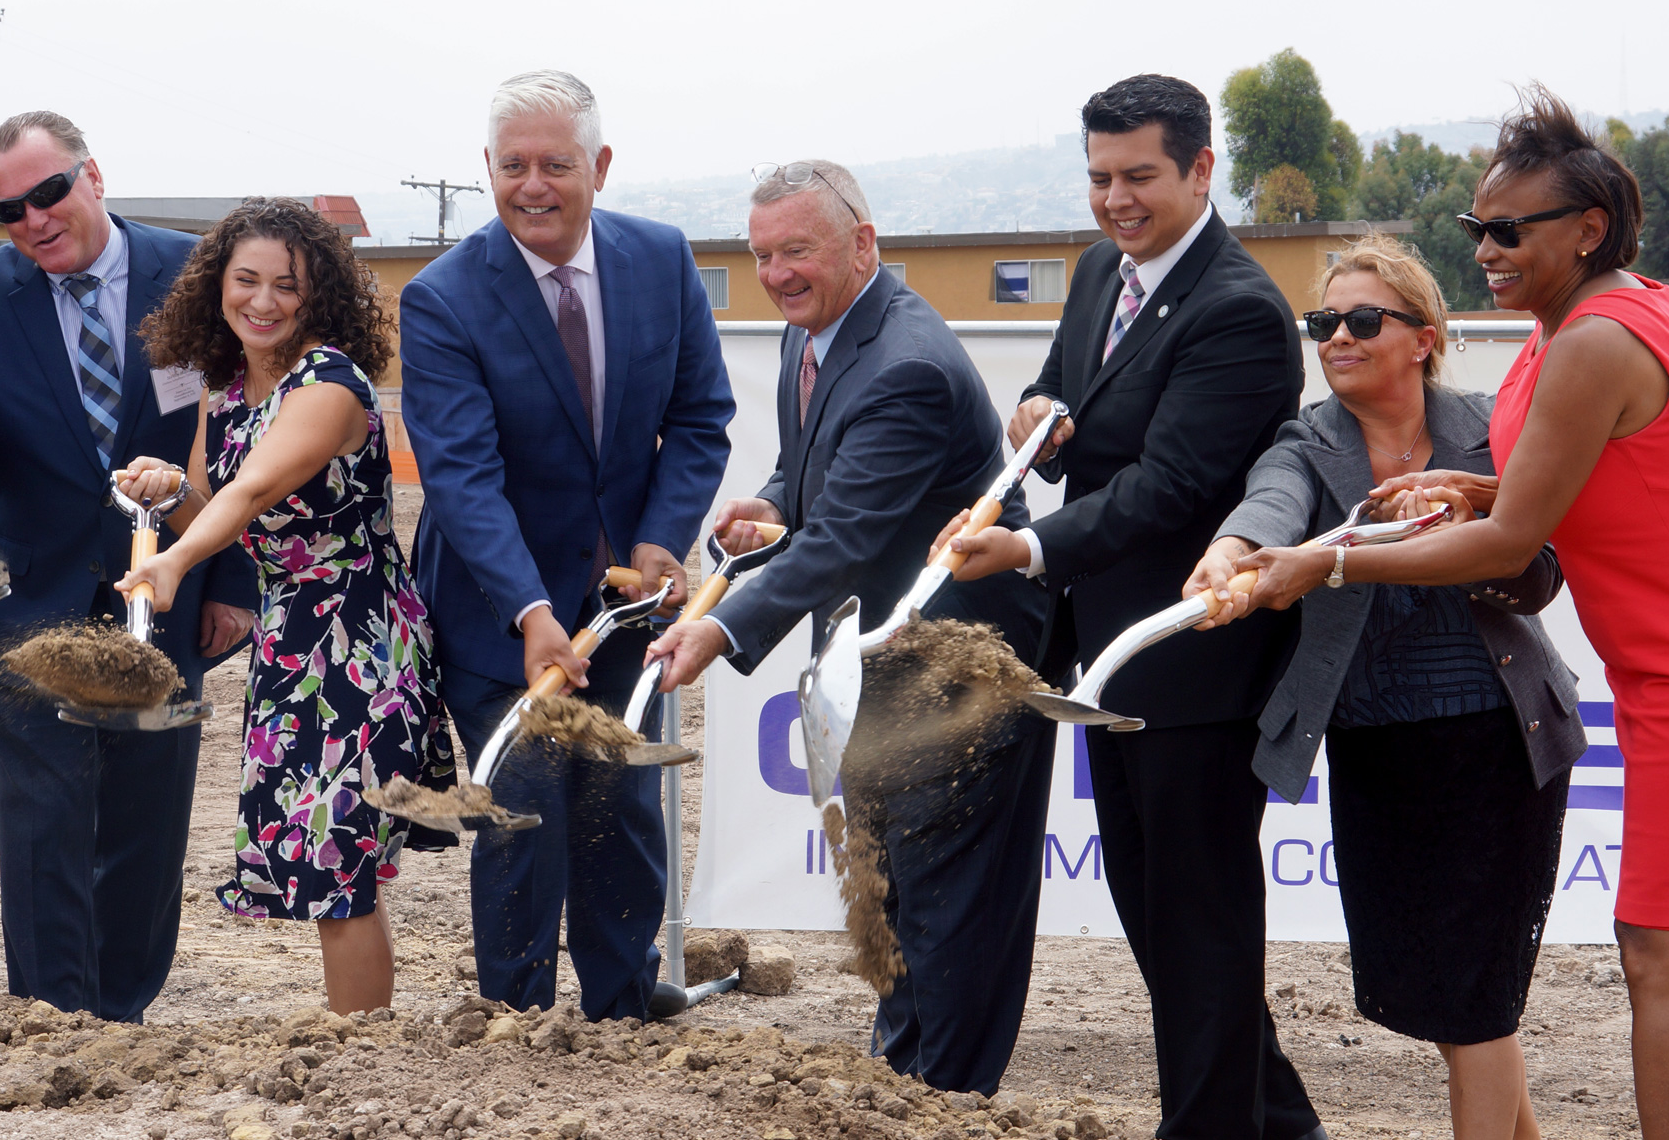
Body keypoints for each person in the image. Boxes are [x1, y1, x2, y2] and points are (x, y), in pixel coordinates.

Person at [1236, 89, 1669, 1140]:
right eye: (1477, 226)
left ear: (1587, 230)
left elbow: (1511, 550)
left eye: (1507, 229)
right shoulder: (1562, 325)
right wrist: (1476, 490)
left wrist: (1326, 566)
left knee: (1661, 950)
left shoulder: (1591, 339)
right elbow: (1560, 482)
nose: (1484, 246)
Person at [935, 74, 1322, 1139]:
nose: (1114, 198)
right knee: (1159, 917)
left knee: (1196, 921)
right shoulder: (1103, 269)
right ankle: (1280, 1124)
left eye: (1138, 176)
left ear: (1201, 169)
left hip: (1196, 657)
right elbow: (1069, 389)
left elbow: (1173, 487)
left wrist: (1024, 544)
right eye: (1099, 176)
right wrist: (1040, 415)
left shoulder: (1239, 311)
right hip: (1105, 654)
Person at [645, 160, 1053, 1094]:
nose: (777, 273)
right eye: (761, 256)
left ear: (862, 243)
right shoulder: (817, 332)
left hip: (961, 661)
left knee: (946, 890)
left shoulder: (905, 364)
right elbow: (812, 476)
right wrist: (770, 500)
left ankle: (945, 1095)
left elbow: (841, 540)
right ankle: (904, 1072)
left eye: (797, 250)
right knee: (895, 879)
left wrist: (721, 632)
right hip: (879, 652)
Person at [1184, 235, 1583, 1140]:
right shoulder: (1305, 437)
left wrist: (1467, 515)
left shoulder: (1492, 428)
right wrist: (1228, 555)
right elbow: (1270, 506)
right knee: (1453, 1005)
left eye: (1364, 320)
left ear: (1424, 337)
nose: (1337, 339)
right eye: (1324, 323)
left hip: (1503, 743)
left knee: (1476, 1003)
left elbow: (1541, 575)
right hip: (1377, 749)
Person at [398, 70, 734, 1021]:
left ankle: (622, 1004)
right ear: (488, 170)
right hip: (501, 610)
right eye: (513, 166)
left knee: (622, 805)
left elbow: (702, 417)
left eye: (557, 164)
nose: (532, 186)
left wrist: (663, 540)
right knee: (528, 805)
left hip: (629, 599)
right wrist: (533, 610)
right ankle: (517, 1019)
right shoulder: (443, 299)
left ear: (602, 166)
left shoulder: (662, 260)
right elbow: (461, 477)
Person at [0, 111, 259, 1023]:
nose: (33, 220)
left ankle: (123, 1009)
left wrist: (231, 584)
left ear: (94, 177)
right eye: (9, 210)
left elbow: (232, 434)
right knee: (42, 815)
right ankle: (49, 1014)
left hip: (164, 583)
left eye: (48, 192)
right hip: (29, 592)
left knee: (147, 817)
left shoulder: (192, 272)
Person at [112, 197, 450, 1014]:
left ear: (319, 296)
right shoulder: (223, 384)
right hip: (291, 642)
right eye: (246, 281)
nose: (262, 302)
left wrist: (174, 560)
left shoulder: (331, 383)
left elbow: (258, 488)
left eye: (285, 286)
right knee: (318, 857)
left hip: (362, 636)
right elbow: (212, 507)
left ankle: (360, 1049)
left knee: (340, 861)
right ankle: (356, 1040)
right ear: (216, 286)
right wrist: (162, 490)